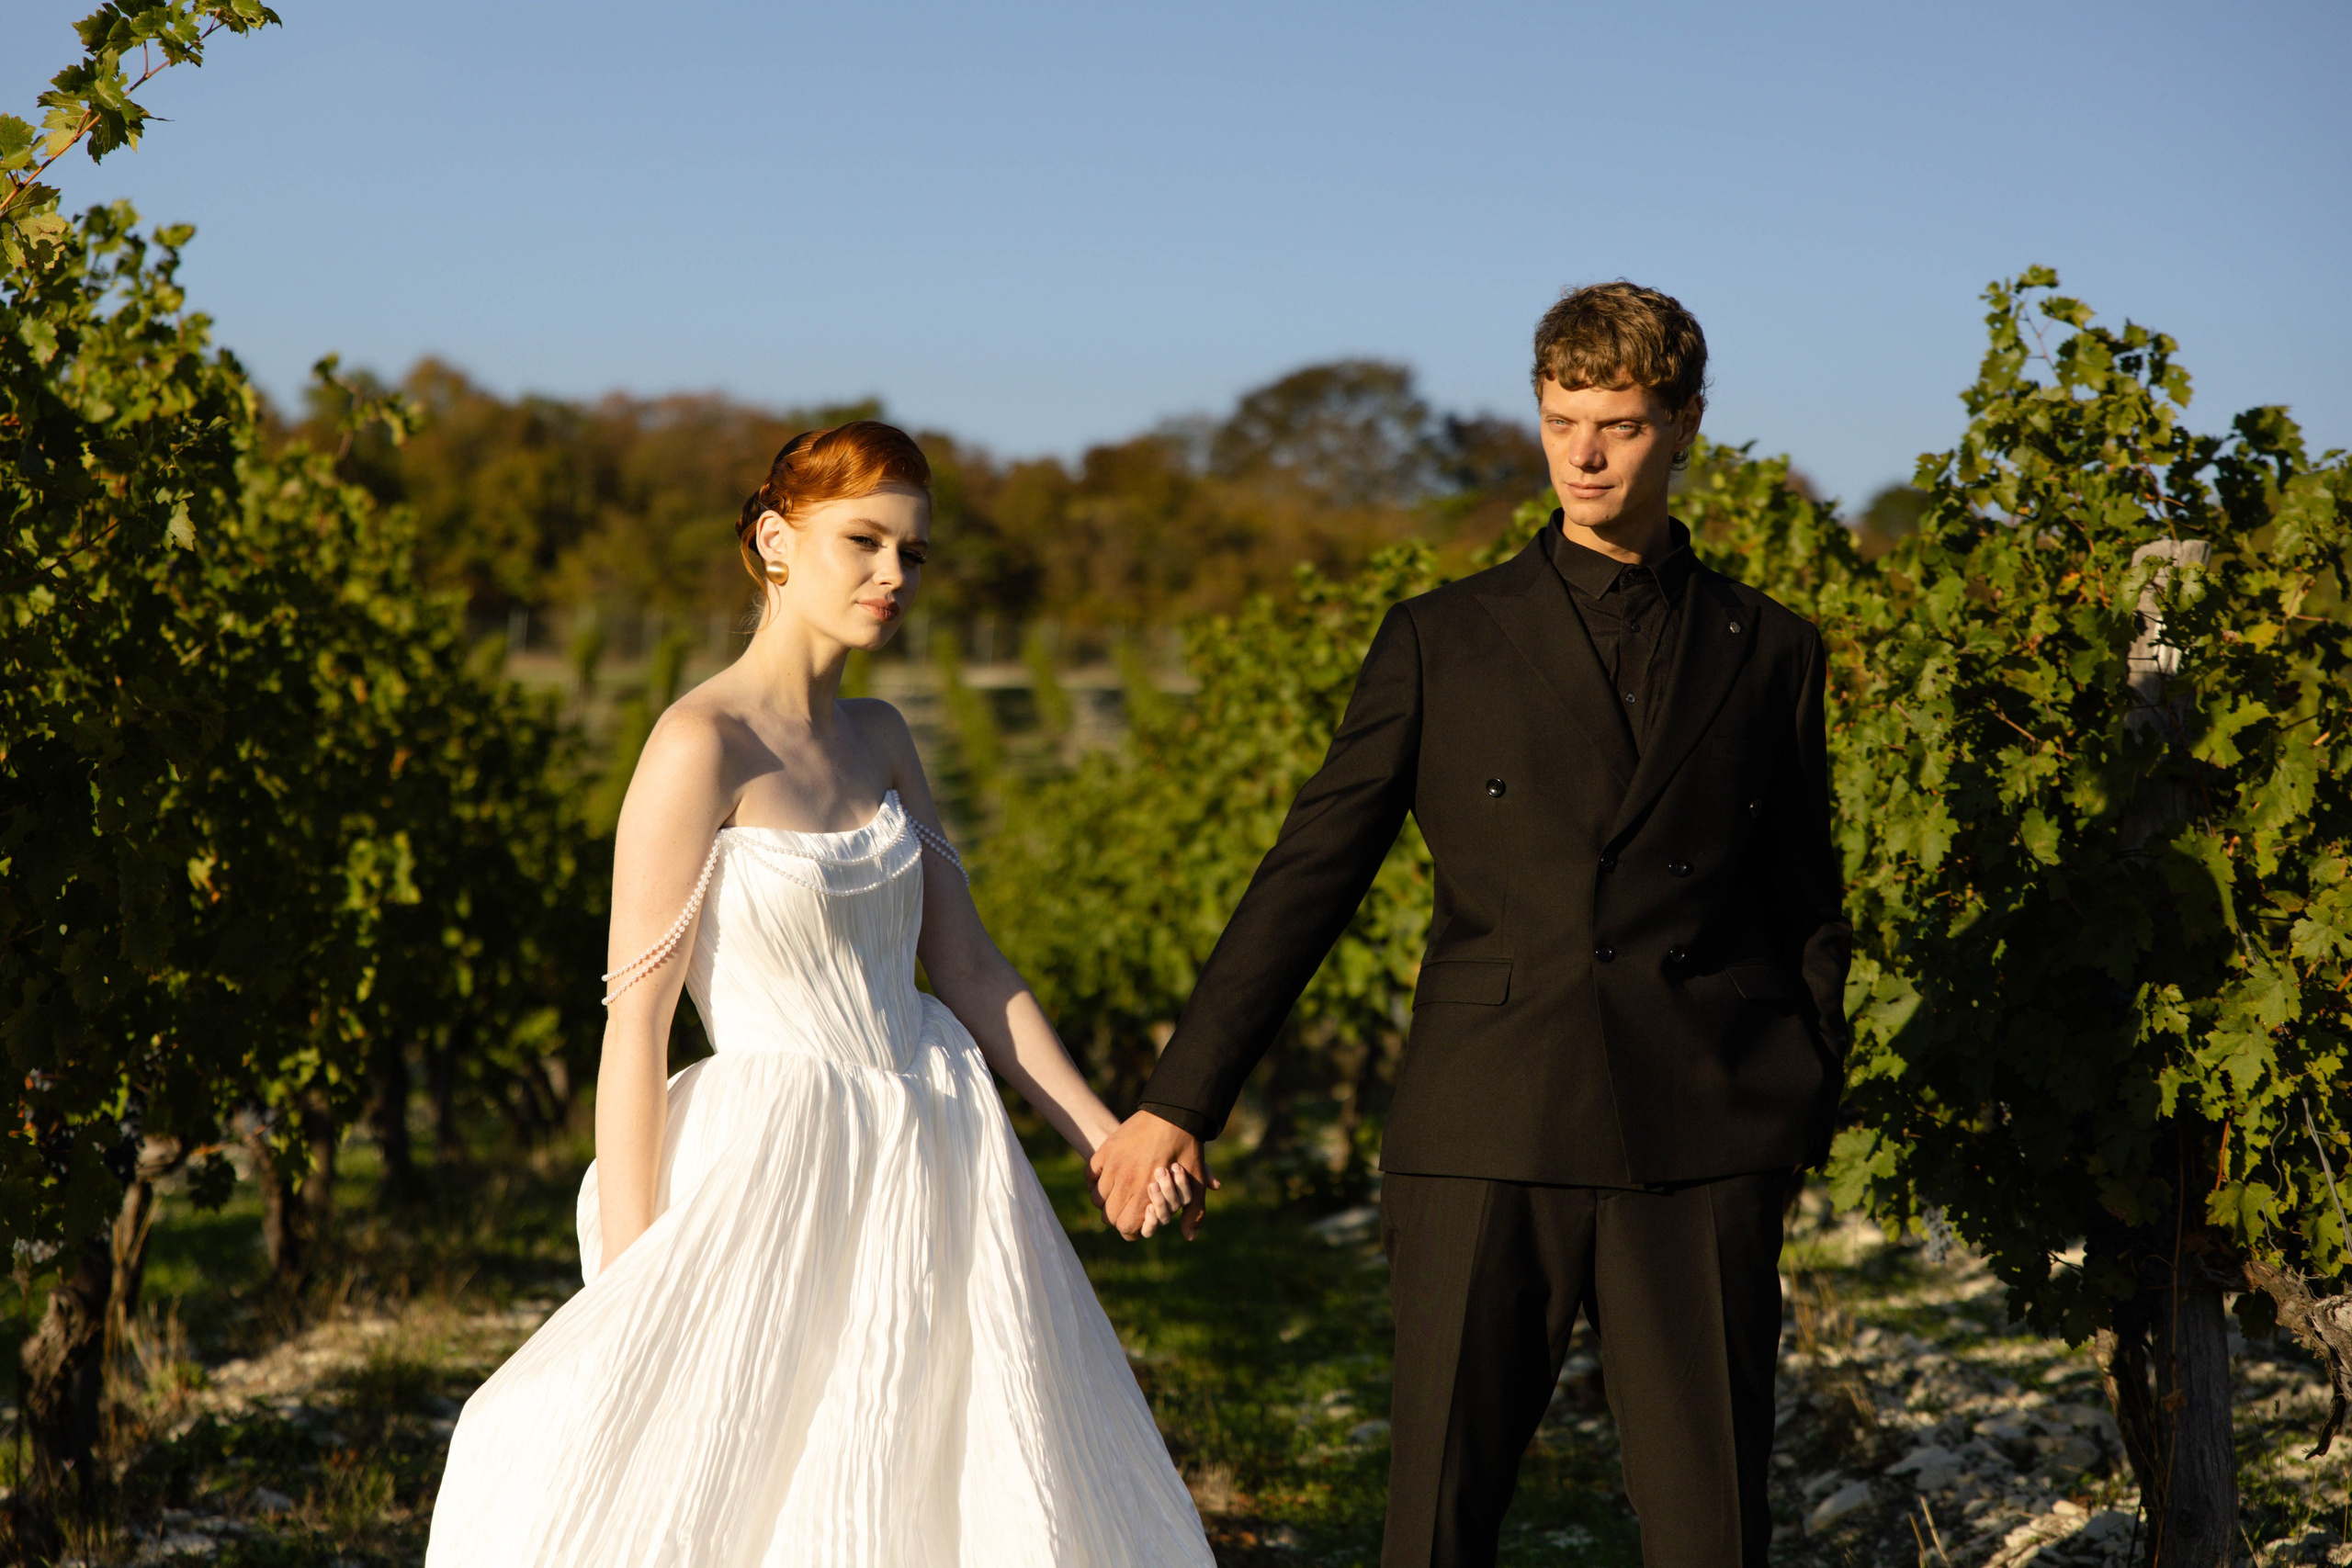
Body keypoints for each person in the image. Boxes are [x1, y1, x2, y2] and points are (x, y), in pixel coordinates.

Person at [1091, 283, 1851, 1568]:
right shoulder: (1443, 640)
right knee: (1437, 1519)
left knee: (1714, 1530)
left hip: (1703, 1128)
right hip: (1490, 1116)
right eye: (1561, 421)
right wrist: (1183, 1096)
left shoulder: (1769, 648)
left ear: (1686, 426)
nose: (1585, 454)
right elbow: (1309, 873)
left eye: (1615, 424)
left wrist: (1800, 1088)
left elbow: (1803, 896)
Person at [426, 422, 1213, 1566]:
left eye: (914, 553)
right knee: (736, 1473)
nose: (894, 576)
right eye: (865, 543)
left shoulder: (884, 737)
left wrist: (1110, 1143)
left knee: (948, 1472)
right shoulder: (698, 744)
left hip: (939, 1147)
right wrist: (637, 1272)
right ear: (775, 540)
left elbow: (974, 968)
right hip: (774, 1158)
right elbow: (634, 1027)